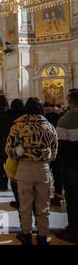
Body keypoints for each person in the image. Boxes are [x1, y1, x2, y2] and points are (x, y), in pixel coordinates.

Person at [6, 97, 58, 245]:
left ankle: (26, 235)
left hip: (25, 168)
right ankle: (42, 237)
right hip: (43, 169)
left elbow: (10, 150)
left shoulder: (18, 126)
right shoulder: (49, 126)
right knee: (43, 205)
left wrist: (23, 150)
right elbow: (54, 152)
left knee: (25, 204)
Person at [55, 90, 78, 244]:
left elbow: (59, 147)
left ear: (70, 102)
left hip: (72, 164)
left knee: (73, 197)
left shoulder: (65, 120)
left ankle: (73, 230)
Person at [0, 98, 25, 209]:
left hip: (13, 150)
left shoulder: (7, 117)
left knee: (13, 175)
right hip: (26, 151)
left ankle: (18, 200)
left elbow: (6, 133)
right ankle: (25, 199)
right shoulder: (26, 118)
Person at [44, 99, 64, 207]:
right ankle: (58, 195)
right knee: (57, 173)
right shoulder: (60, 116)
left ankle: (45, 194)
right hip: (57, 147)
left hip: (45, 148)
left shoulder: (43, 118)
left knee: (46, 171)